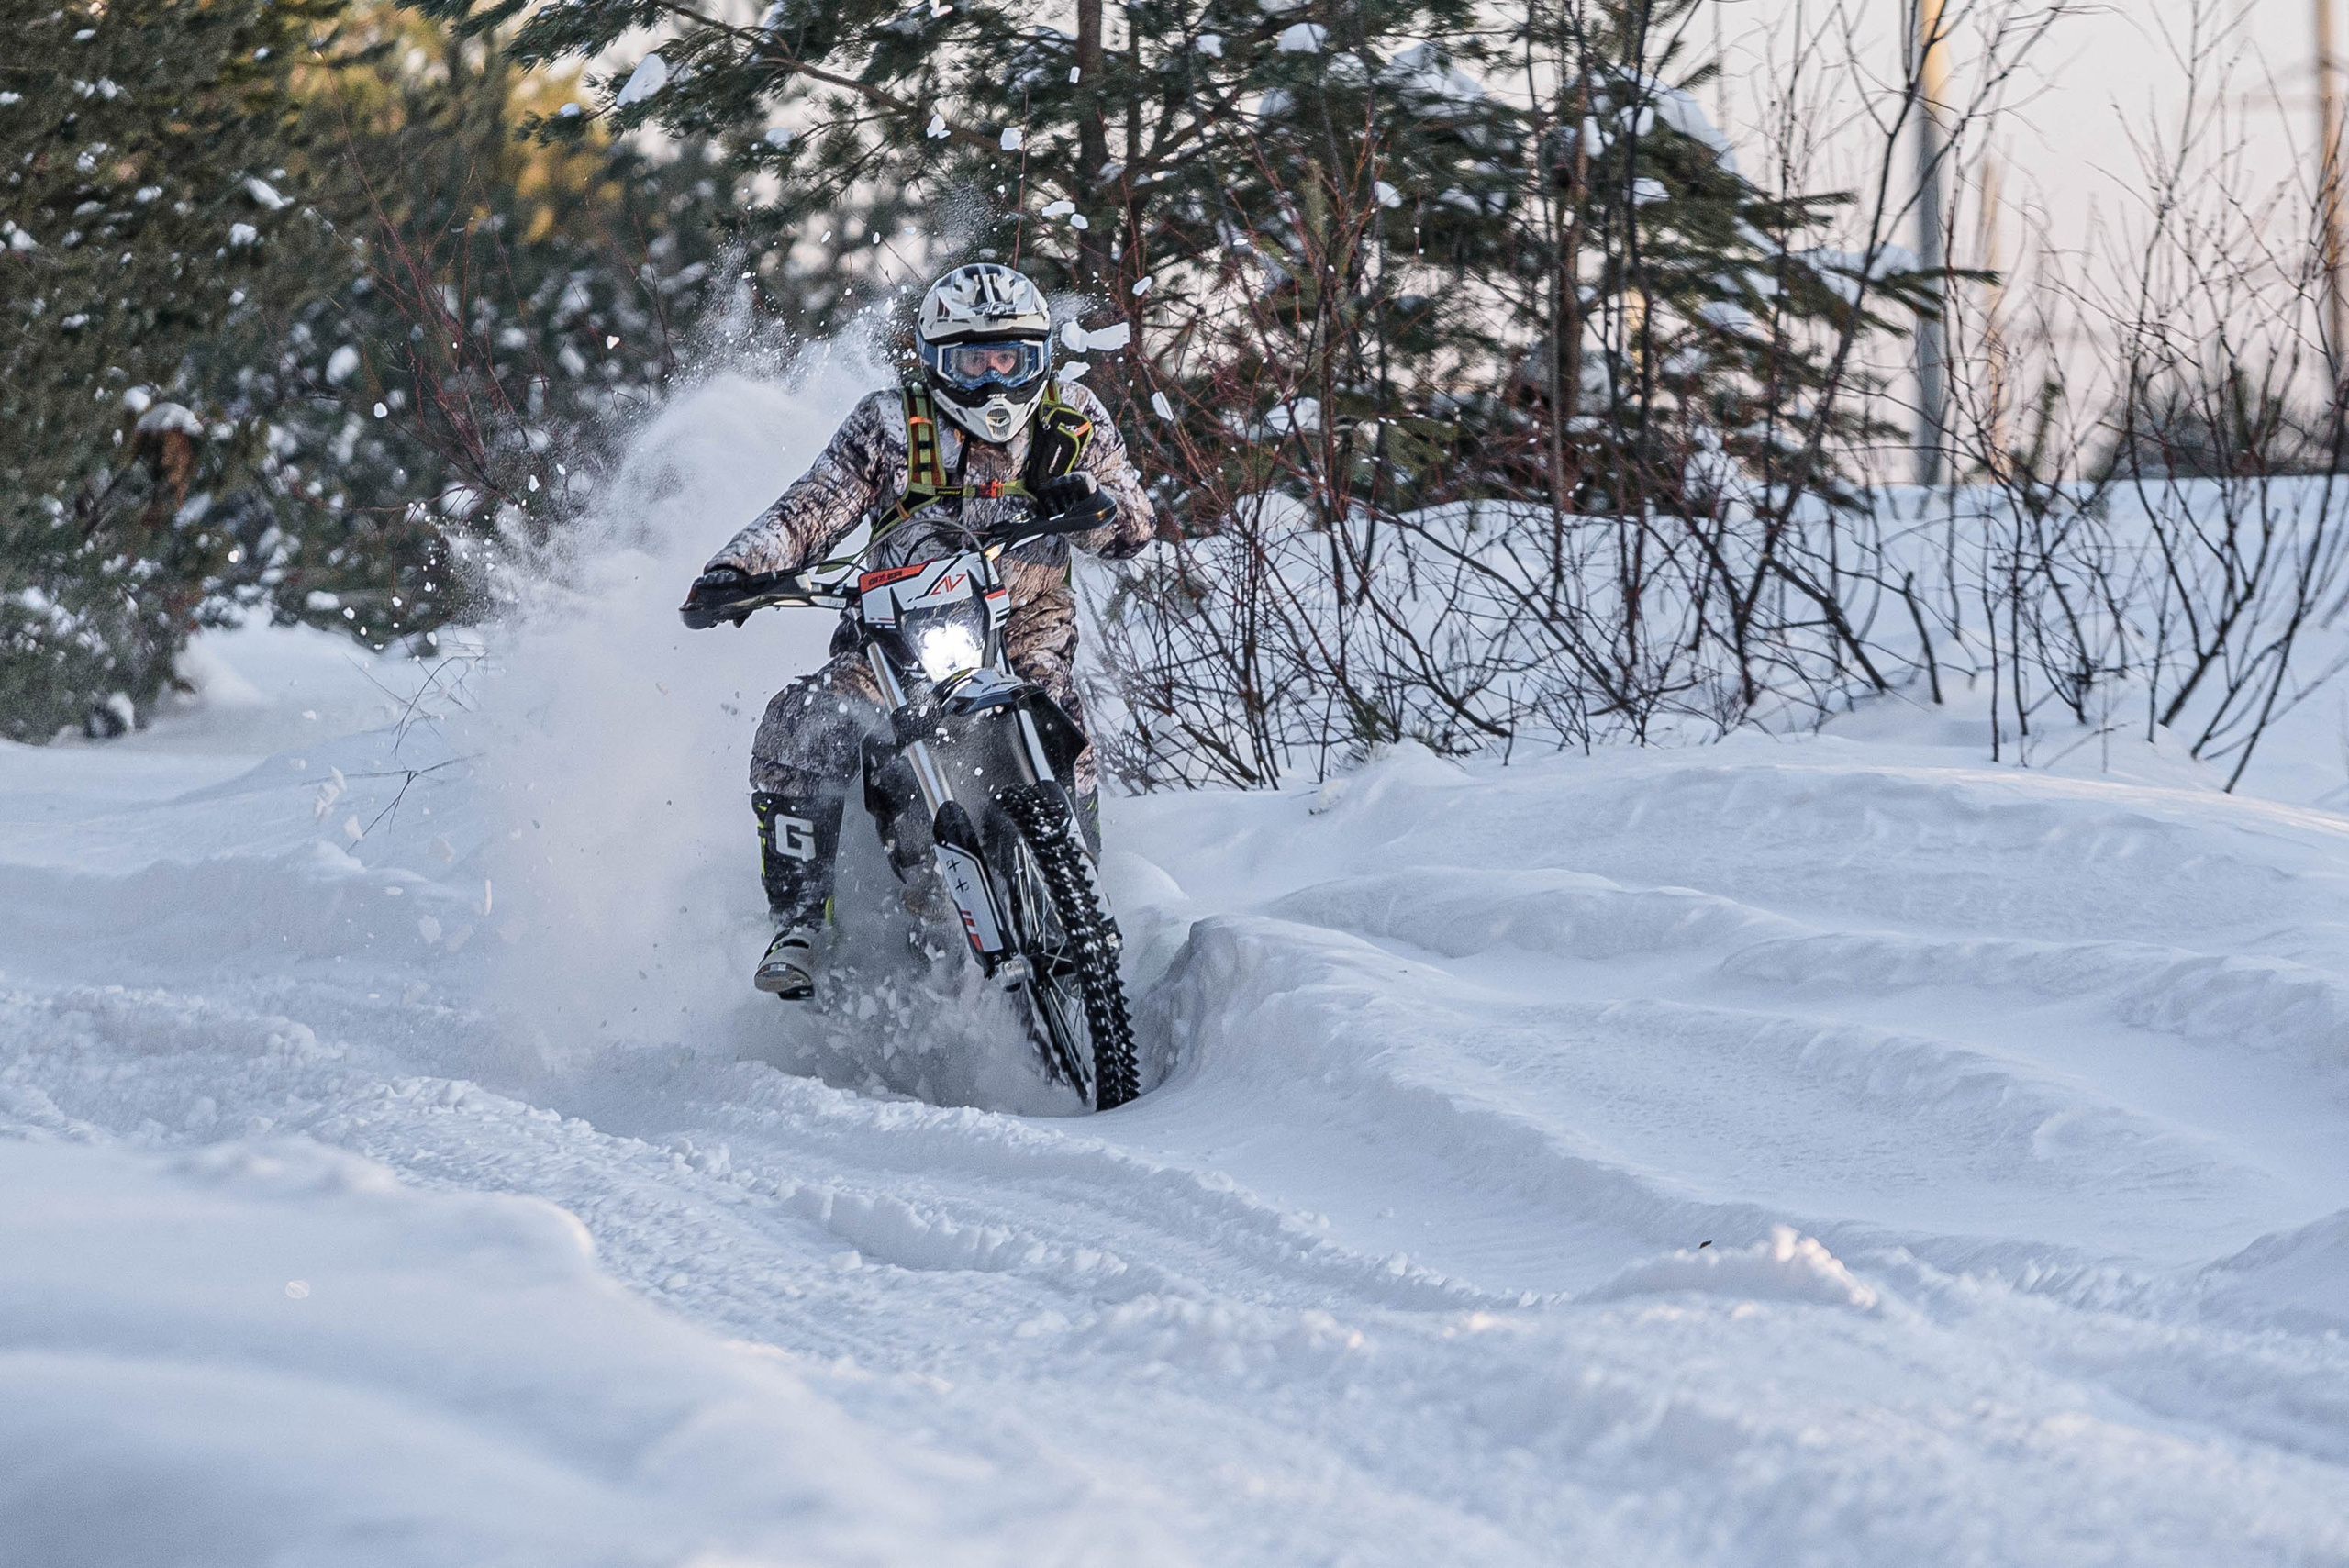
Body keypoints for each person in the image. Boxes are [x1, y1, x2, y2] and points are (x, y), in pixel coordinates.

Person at [684, 263, 1155, 998]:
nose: (994, 382)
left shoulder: (1072, 418)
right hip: (896, 634)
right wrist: (738, 569)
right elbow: (810, 508)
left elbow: (1133, 524)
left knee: (1056, 702)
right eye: (973, 363)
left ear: (1040, 358)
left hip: (1024, 622)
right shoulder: (889, 424)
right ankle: (801, 921)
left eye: (1011, 360)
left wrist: (1092, 504)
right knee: (801, 720)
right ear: (935, 362)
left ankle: (1079, 886)